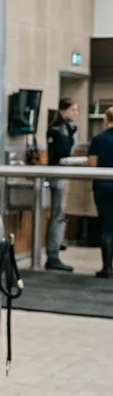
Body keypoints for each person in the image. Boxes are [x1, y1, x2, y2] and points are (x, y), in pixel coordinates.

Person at [44, 98, 80, 271]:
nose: (75, 114)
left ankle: (55, 250)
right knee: (58, 214)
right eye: (73, 110)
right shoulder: (60, 129)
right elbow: (63, 151)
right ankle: (53, 254)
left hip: (61, 172)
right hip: (58, 172)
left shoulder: (63, 127)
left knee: (59, 214)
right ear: (62, 111)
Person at [87, 108, 113, 279]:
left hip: (103, 187)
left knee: (106, 226)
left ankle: (107, 268)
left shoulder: (98, 139)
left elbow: (92, 165)